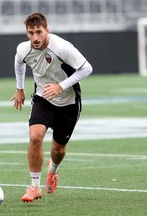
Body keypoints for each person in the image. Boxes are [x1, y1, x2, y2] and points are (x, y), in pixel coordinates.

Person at [10, 12, 93, 202]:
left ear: (47, 30)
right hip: (43, 99)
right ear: (27, 32)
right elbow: (18, 63)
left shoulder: (62, 47)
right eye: (30, 33)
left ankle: (53, 171)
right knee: (35, 137)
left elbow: (87, 68)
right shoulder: (24, 49)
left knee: (58, 150)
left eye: (39, 32)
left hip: (69, 103)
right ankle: (34, 187)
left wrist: (60, 86)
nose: (35, 38)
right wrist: (20, 89)